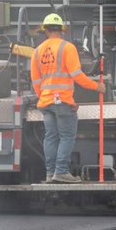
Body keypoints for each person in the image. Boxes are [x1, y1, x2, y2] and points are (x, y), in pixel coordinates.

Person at [30, 12, 100, 183]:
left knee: (51, 137)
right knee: (66, 137)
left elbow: (36, 81)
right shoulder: (67, 47)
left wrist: (46, 98)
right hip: (61, 102)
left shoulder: (37, 52)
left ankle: (50, 173)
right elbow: (77, 75)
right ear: (62, 30)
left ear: (45, 30)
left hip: (46, 102)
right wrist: (98, 86)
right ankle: (61, 172)